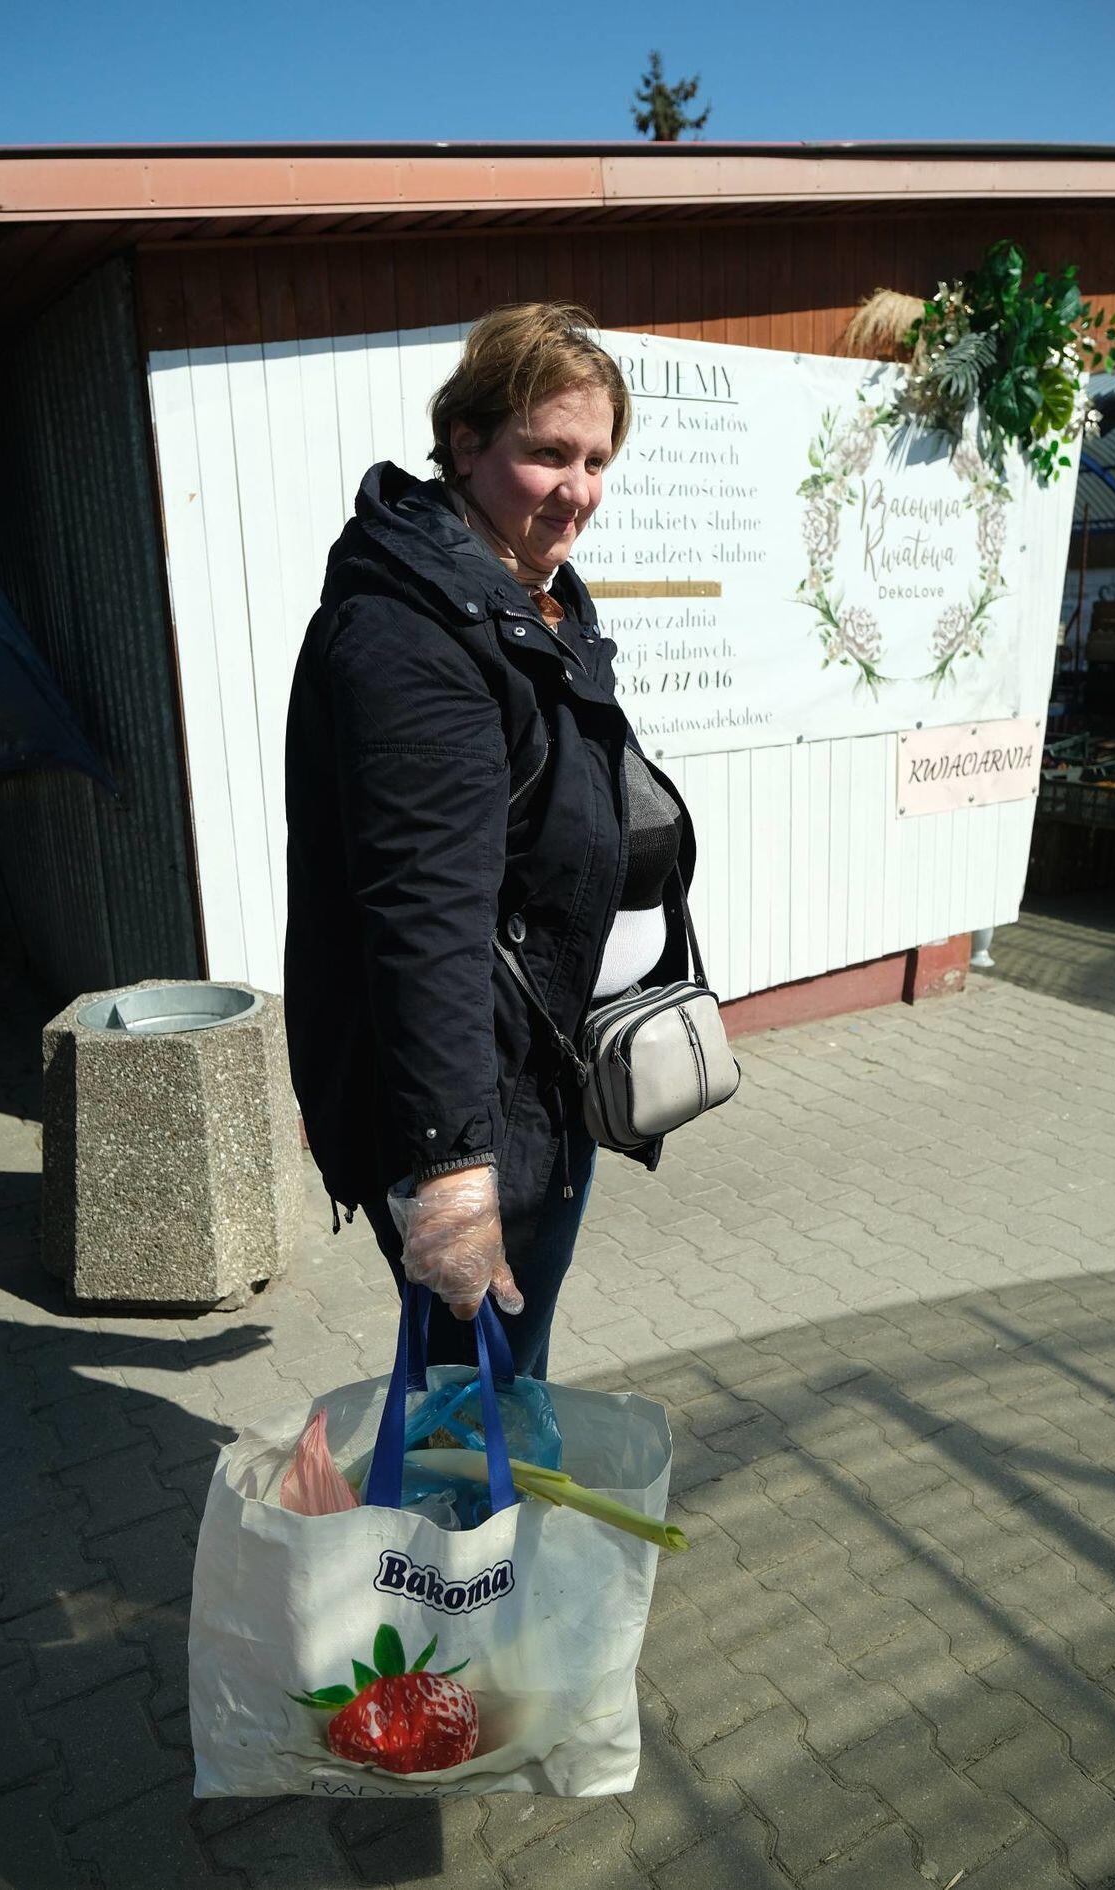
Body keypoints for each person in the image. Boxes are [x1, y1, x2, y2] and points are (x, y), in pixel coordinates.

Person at [284, 303, 698, 1378]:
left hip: (536, 1073)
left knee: (488, 1376)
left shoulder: (524, 592)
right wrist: (453, 1170)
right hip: (481, 1109)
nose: (580, 490)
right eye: (548, 453)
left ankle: (464, 1490)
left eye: (597, 460)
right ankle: (438, 1505)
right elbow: (424, 916)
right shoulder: (413, 634)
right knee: (481, 1399)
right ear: (465, 445)